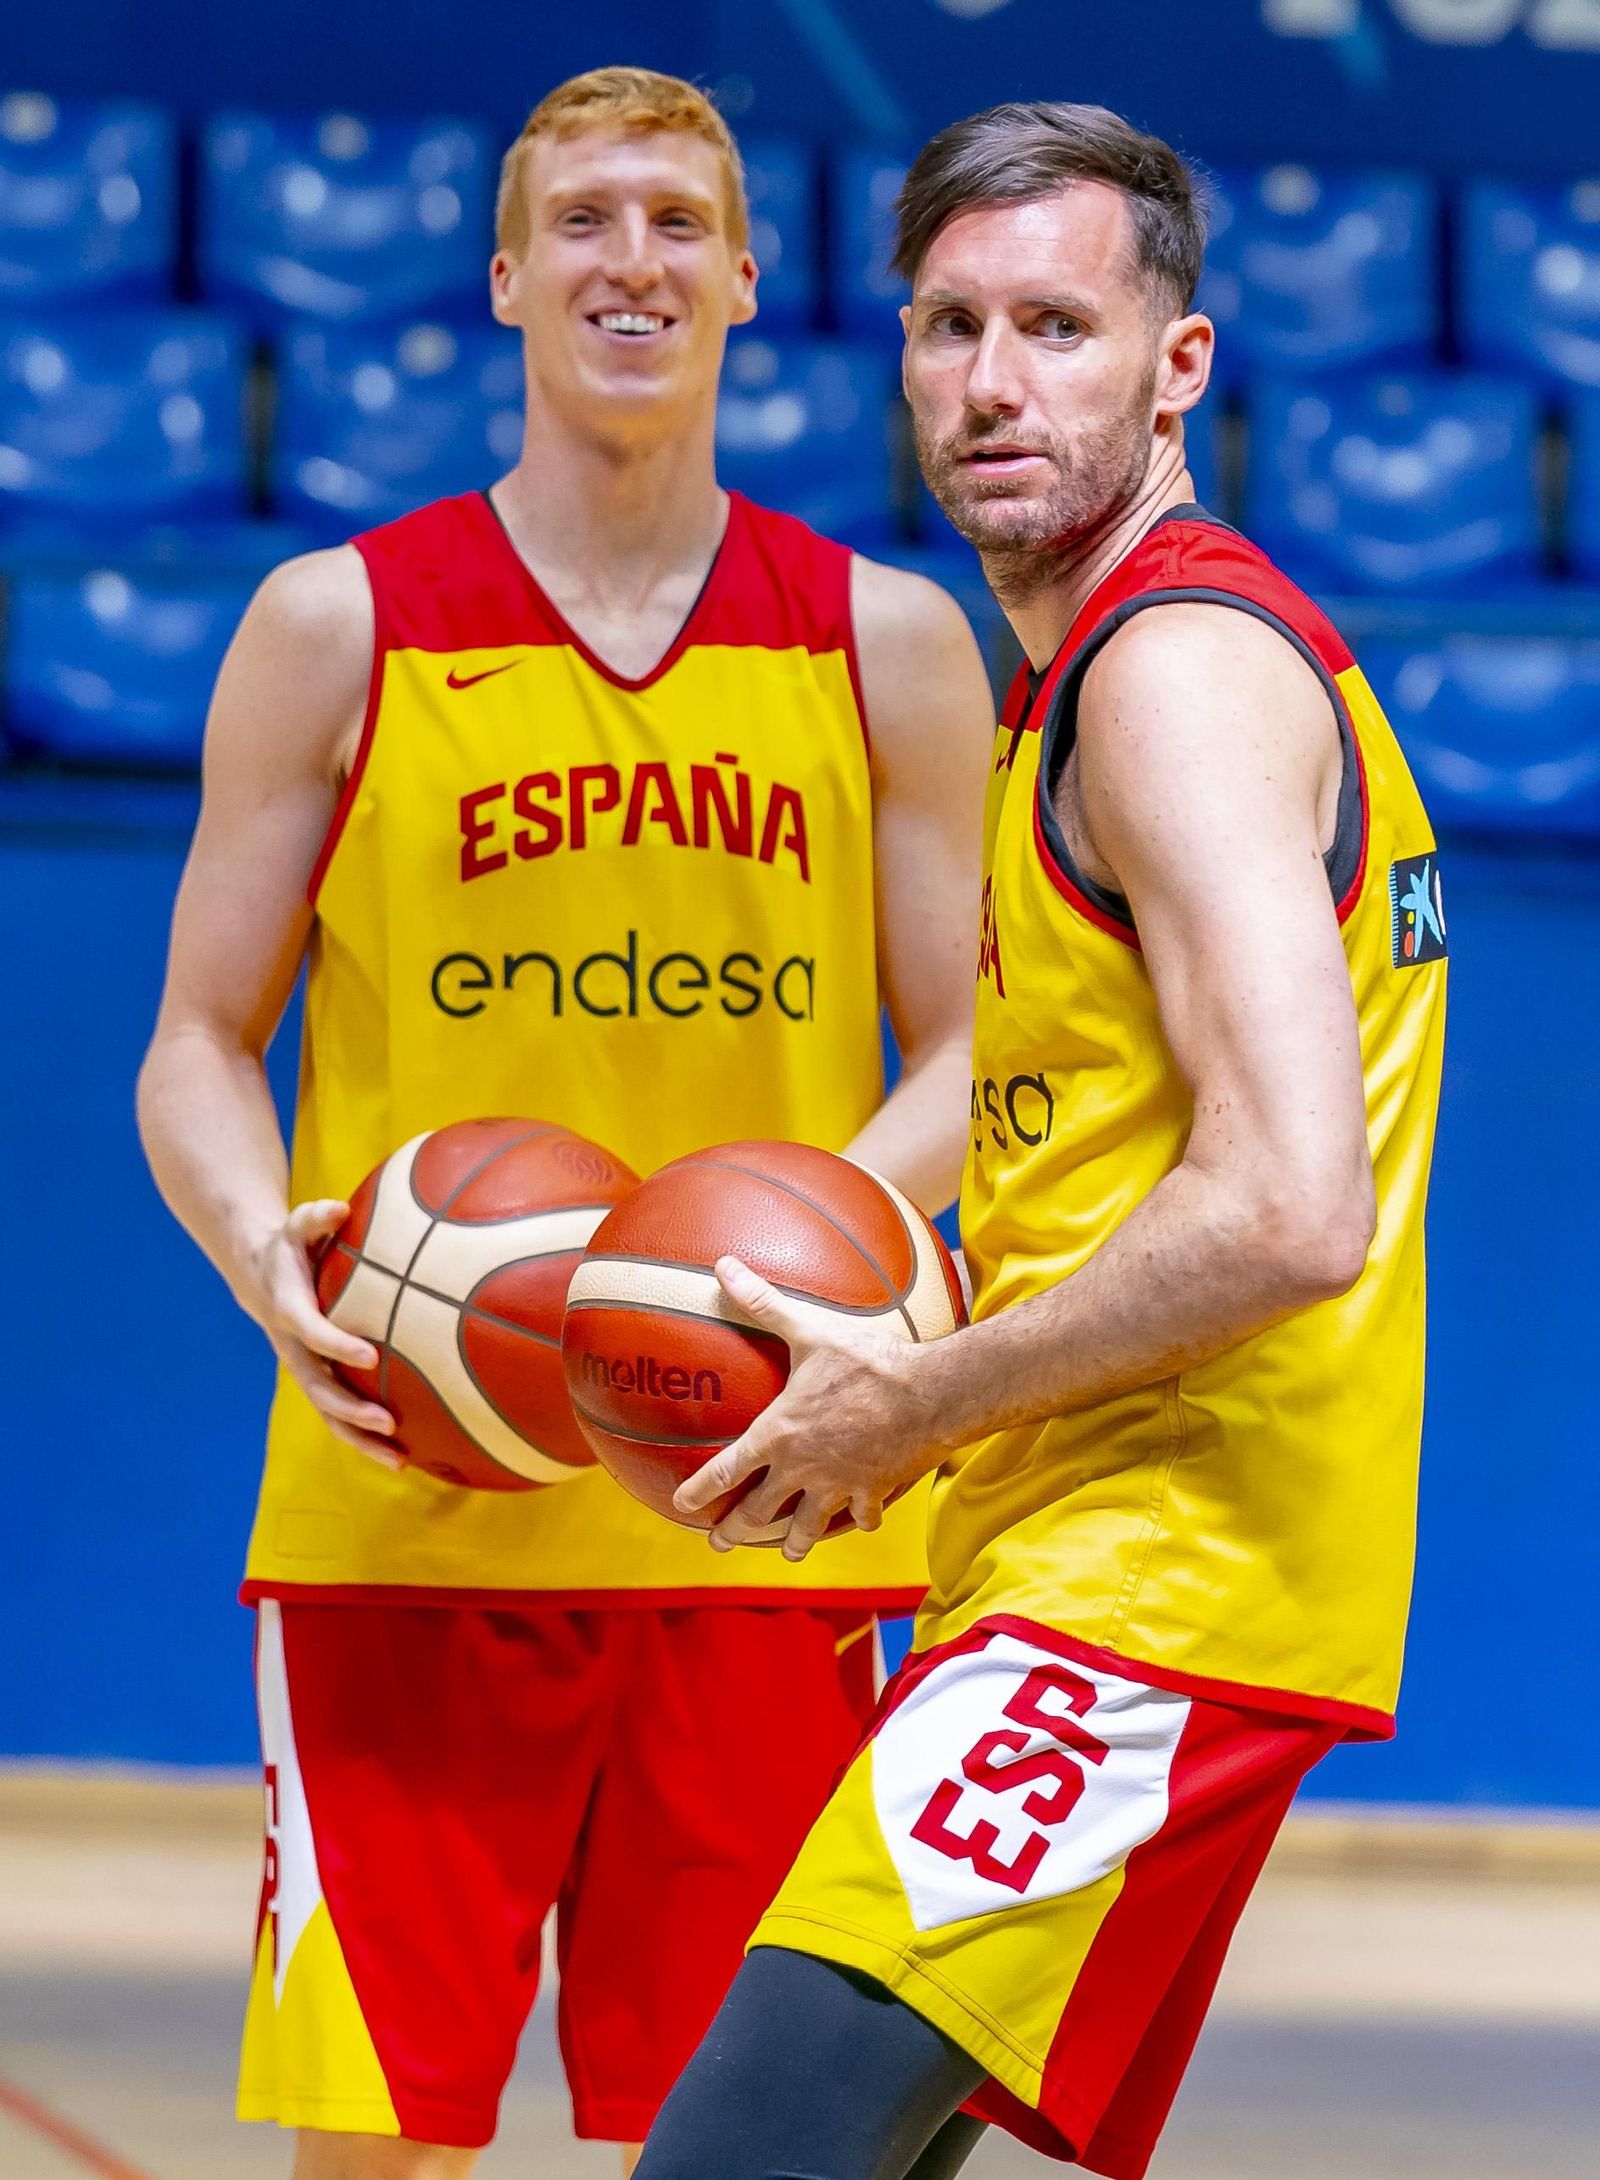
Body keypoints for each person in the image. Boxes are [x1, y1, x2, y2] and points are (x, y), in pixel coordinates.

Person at [137, 67, 992, 2179]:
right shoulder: (338, 623)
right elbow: (189, 1040)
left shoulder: (884, 644)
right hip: (414, 1510)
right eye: (590, 222)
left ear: (744, 280)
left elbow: (985, 1053)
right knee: (377, 2147)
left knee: (742, 2148)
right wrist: (271, 1261)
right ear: (510, 279)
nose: (636, 261)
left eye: (680, 224)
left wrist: (752, 1245)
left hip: (766, 1498)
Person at [636, 101, 1448, 2180]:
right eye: (947, 326)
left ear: (1176, 365)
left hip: (1149, 1589)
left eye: (1058, 328)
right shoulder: (1099, 670)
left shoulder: (1169, 675)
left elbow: (1285, 1204)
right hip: (1095, 1565)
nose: (992, 383)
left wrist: (902, 1404)